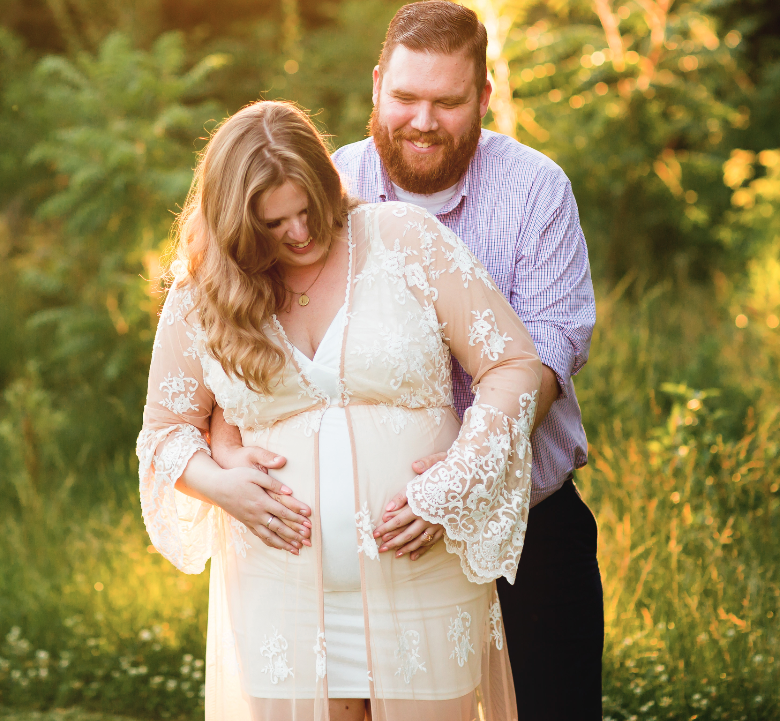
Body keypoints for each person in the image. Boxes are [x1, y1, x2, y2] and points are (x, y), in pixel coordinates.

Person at [216, 0, 602, 719]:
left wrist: (461, 474)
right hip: (373, 556)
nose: (423, 120)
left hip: (527, 524)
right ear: (375, 88)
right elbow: (244, 343)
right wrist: (226, 450)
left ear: (483, 98)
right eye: (405, 97)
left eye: (448, 102)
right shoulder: (320, 187)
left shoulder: (536, 191)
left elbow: (548, 356)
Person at [137, 100, 544, 721]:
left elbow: (512, 365)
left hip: (422, 581)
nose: (300, 234)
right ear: (237, 226)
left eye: (309, 211)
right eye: (274, 225)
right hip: (281, 595)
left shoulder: (403, 239)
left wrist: (460, 481)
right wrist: (223, 486)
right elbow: (165, 432)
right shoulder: (204, 292)